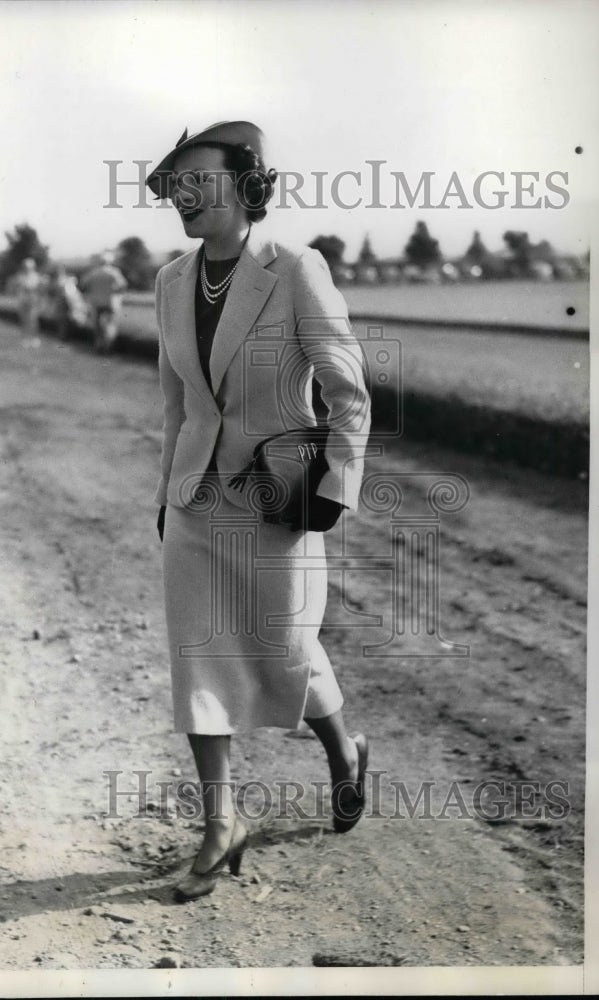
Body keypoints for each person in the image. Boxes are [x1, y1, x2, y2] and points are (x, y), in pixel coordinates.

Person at [146, 121, 372, 902]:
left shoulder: (295, 269)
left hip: (277, 497)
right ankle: (221, 823)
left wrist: (335, 485)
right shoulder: (170, 281)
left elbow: (347, 392)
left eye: (199, 180)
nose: (184, 194)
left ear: (246, 186)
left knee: (285, 648)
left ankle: (343, 753)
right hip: (195, 499)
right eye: (176, 184)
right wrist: (165, 493)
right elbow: (176, 406)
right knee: (197, 656)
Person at [80, 250, 127, 354]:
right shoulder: (114, 272)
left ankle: (98, 346)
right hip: (111, 302)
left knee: (97, 326)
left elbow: (83, 284)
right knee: (110, 325)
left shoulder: (93, 272)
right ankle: (108, 347)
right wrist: (115, 291)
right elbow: (123, 285)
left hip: (96, 302)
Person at [15, 257, 42, 345]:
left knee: (33, 320)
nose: (27, 268)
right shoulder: (20, 276)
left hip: (33, 301)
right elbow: (18, 288)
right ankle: (24, 338)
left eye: (29, 267)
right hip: (23, 301)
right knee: (24, 320)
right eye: (26, 266)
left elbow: (37, 289)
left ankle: (34, 338)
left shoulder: (36, 276)